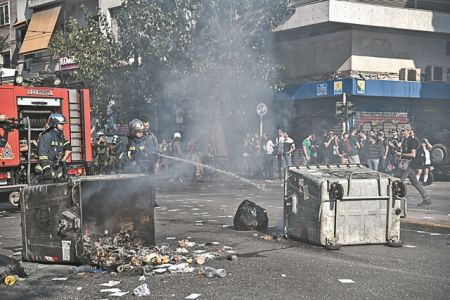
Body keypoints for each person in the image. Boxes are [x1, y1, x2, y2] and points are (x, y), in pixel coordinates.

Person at [399, 129, 430, 206]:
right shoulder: (405, 141)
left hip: (411, 164)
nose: (402, 132)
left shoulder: (412, 141)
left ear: (408, 131)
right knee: (415, 182)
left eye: (403, 130)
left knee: (400, 180)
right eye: (401, 131)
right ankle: (426, 199)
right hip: (406, 163)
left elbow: (413, 154)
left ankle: (394, 199)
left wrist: (402, 154)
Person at [36, 114, 72, 183]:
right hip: (48, 170)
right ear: (55, 124)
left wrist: (63, 160)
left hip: (58, 168)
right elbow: (42, 153)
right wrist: (46, 169)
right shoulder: (46, 136)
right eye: (61, 124)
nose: (63, 126)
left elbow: (68, 148)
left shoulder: (61, 137)